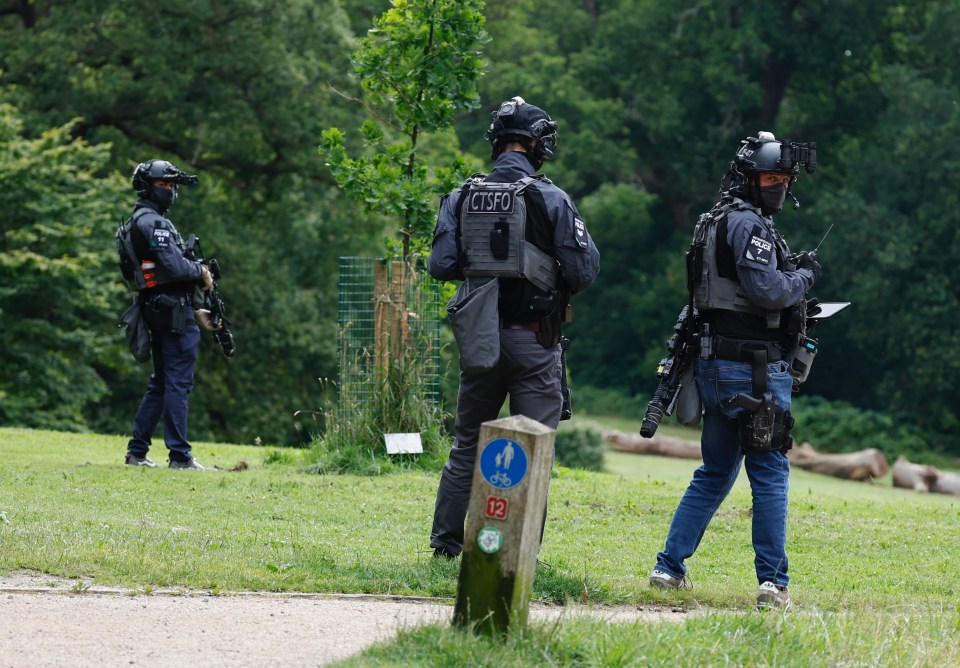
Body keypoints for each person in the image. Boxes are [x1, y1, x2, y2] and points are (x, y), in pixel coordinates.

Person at [648, 132, 821, 610]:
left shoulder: (713, 221)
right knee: (769, 471)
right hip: (755, 370)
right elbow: (767, 291)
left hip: (715, 365)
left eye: (784, 179)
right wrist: (805, 276)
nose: (779, 187)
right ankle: (773, 583)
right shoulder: (748, 225)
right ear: (749, 178)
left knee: (716, 469)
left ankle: (668, 567)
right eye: (771, 177)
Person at [428, 96, 601, 558]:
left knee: (467, 445)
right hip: (534, 341)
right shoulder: (551, 197)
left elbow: (440, 265)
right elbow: (584, 273)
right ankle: (515, 552)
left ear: (498, 144)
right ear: (536, 144)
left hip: (479, 341)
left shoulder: (462, 195)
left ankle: (445, 547)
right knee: (532, 449)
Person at [122, 159, 219, 471]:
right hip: (170, 312)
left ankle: (137, 452)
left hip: (159, 307)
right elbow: (175, 268)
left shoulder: (137, 220)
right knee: (178, 382)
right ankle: (179, 456)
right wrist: (201, 271)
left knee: (162, 382)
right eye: (164, 185)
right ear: (147, 186)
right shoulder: (154, 223)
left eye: (173, 185)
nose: (170, 191)